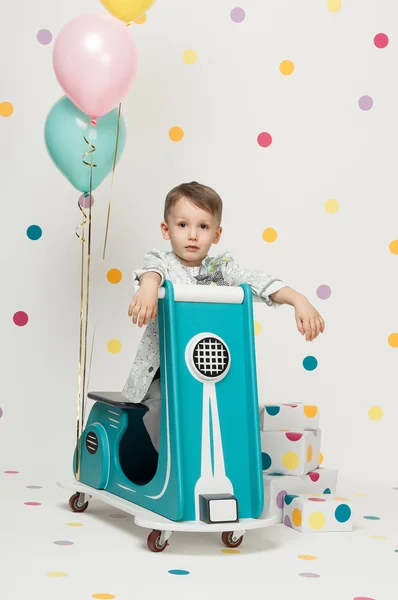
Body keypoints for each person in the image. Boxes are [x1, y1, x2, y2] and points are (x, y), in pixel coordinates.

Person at [122, 182, 325, 452]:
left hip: (205, 366)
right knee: (161, 411)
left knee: (222, 410)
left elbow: (255, 280)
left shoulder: (219, 269)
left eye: (203, 227)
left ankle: (218, 463)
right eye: (183, 225)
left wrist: (298, 299)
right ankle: (172, 469)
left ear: (216, 235)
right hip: (164, 370)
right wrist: (149, 288)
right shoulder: (161, 262)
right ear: (166, 229)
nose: (192, 235)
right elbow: (152, 269)